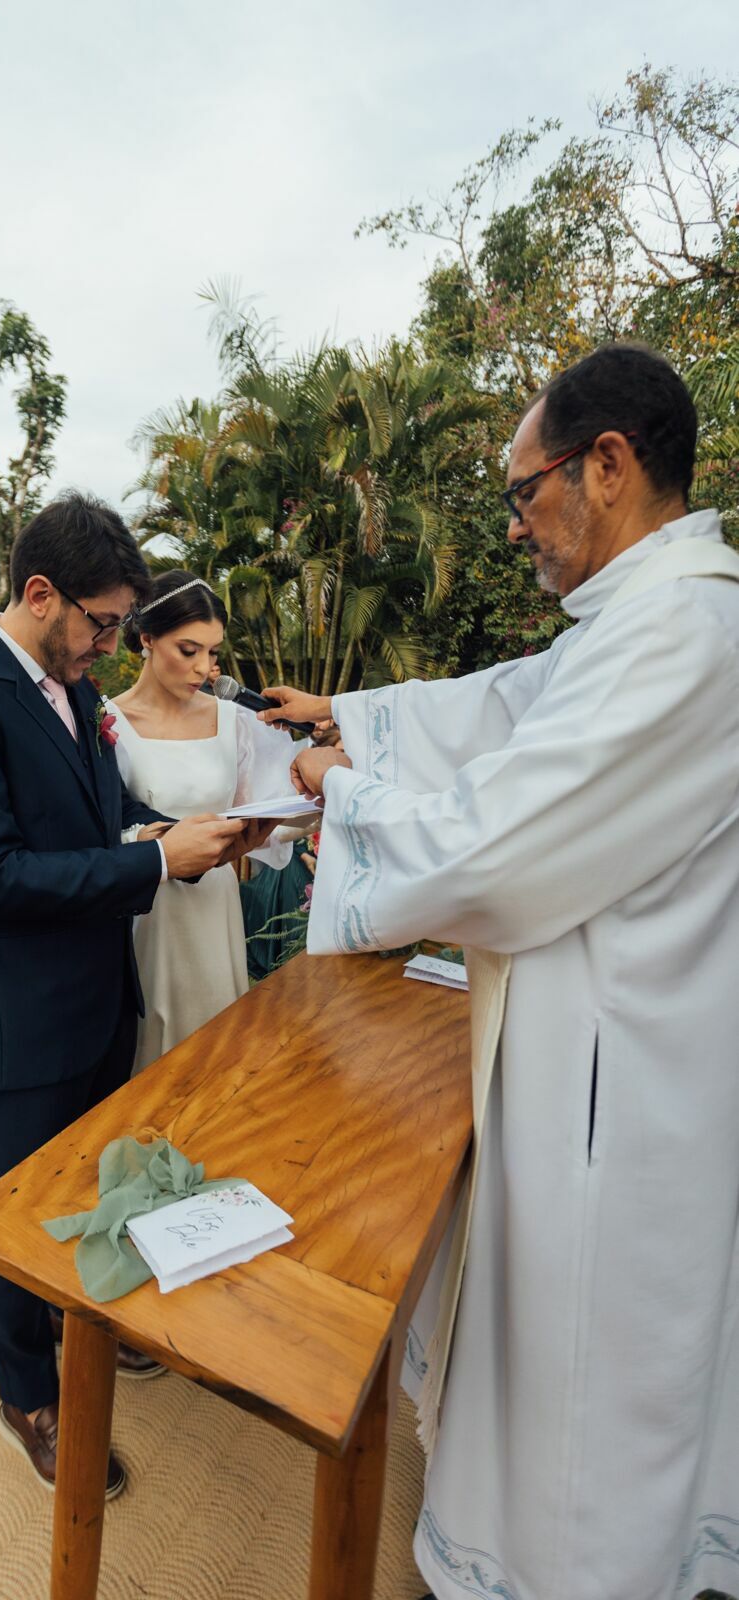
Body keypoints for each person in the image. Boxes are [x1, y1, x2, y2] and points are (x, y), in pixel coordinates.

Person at [262, 343, 739, 1600]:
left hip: (619, 1085)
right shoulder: (640, 617)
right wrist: (351, 716)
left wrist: (340, 790)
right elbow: (508, 706)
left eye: (523, 491)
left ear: (607, 465)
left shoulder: (682, 634)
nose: (516, 521)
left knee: (588, 1376)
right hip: (598, 1047)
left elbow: (496, 844)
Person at [0, 490, 268, 1498]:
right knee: (13, 1214)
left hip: (108, 990)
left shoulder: (83, 696)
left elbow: (111, 810)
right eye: (100, 622)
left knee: (98, 1181)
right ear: (39, 592)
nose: (110, 643)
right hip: (19, 1016)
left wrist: (179, 832)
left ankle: (89, 1315)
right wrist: (151, 868)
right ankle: (30, 1397)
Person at [108, 569, 296, 1072]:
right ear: (146, 638)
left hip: (215, 905)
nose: (204, 668)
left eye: (212, 653)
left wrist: (316, 795)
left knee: (220, 1052)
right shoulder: (106, 723)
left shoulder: (233, 720)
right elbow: (100, 826)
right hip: (149, 912)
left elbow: (271, 808)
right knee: (152, 1059)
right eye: (188, 650)